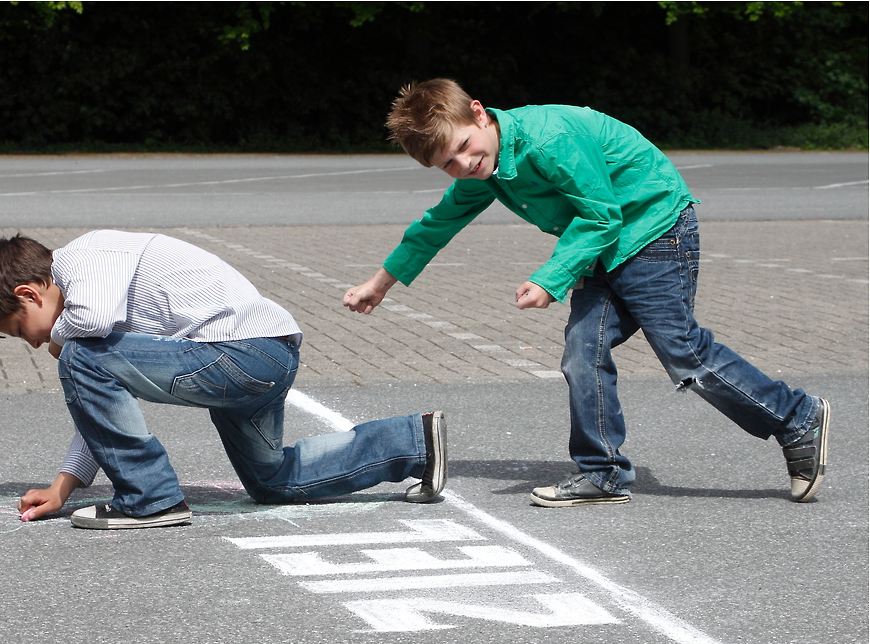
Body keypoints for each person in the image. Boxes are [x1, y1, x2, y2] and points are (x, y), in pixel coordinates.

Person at [344, 78, 828, 507]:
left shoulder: (549, 138)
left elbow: (601, 214)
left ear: (477, 111)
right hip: (602, 246)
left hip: (652, 228)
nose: (466, 164)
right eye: (448, 164)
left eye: (466, 147)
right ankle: (603, 473)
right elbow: (436, 226)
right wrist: (379, 284)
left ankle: (796, 417)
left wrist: (550, 280)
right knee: (582, 350)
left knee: (681, 351)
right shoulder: (486, 169)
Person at [0, 230, 447, 529]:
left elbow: (86, 333)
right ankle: (411, 443)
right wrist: (64, 487)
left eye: (22, 332)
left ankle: (151, 501)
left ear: (28, 293)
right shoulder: (86, 309)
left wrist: (59, 342)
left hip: (245, 354)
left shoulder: (86, 258)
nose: (35, 345)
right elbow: (101, 409)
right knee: (272, 479)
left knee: (80, 358)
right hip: (261, 357)